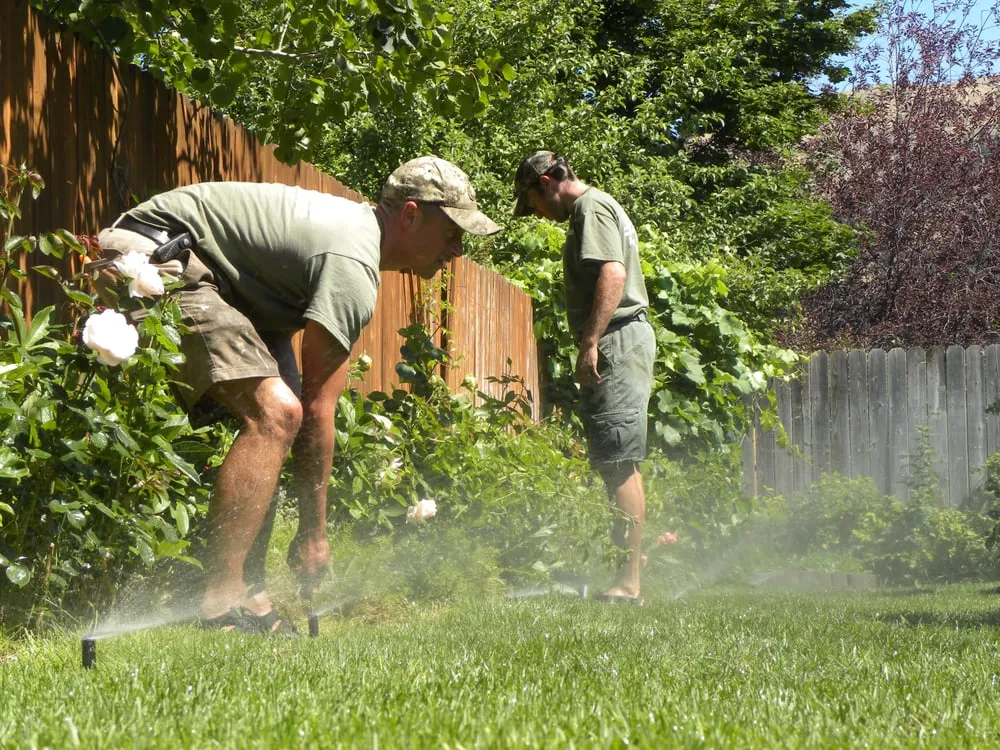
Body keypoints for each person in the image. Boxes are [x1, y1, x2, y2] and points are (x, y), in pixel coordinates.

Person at [95, 156, 500, 632]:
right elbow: (316, 412)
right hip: (154, 255)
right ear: (410, 214)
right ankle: (218, 605)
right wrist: (314, 535)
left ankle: (250, 592)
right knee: (277, 414)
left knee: (277, 418)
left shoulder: (352, 239)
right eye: (452, 231)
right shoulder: (352, 262)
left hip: (207, 274)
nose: (457, 248)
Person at [513, 151, 655, 604]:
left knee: (618, 459)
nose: (537, 212)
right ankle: (628, 568)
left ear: (547, 181)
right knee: (618, 457)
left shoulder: (589, 208)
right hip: (623, 337)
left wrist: (590, 341)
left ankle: (629, 582)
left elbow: (612, 273)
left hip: (616, 336)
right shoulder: (596, 207)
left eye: (532, 201)